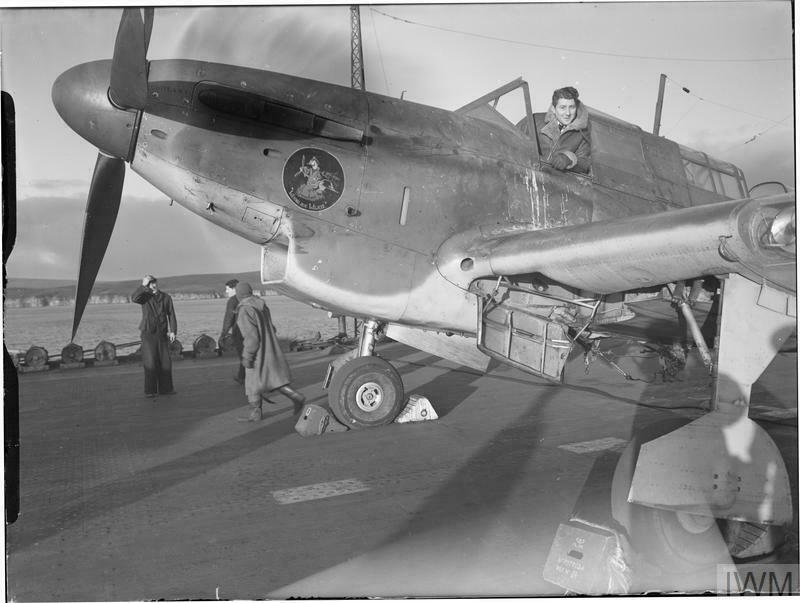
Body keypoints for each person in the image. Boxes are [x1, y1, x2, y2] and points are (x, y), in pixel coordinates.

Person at [235, 282, 306, 422]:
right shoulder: (261, 306)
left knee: (252, 383)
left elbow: (252, 338)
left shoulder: (244, 310)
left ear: (238, 295)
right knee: (273, 380)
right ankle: (295, 397)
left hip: (257, 353)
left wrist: (247, 356)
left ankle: (256, 413)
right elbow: (271, 329)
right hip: (269, 349)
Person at [132, 275, 177, 398]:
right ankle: (150, 391)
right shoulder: (144, 297)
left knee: (165, 362)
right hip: (148, 333)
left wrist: (173, 331)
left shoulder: (166, 297)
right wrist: (142, 286)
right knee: (150, 362)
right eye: (150, 283)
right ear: (147, 285)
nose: (153, 285)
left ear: (157, 283)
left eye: (154, 282)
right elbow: (134, 298)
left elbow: (171, 314)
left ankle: (166, 389)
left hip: (162, 333)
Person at [538, 86, 591, 173]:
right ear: (553, 109)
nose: (567, 113)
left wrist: (569, 159)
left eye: (572, 107)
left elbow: (584, 164)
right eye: (562, 107)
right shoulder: (534, 121)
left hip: (555, 181)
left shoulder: (582, 134)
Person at [219, 278, 245, 385]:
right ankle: (241, 376)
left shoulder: (233, 301)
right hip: (254, 332)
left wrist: (223, 334)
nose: (226, 292)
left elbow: (228, 319)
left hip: (240, 333)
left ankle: (243, 378)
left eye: (227, 289)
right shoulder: (252, 298)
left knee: (243, 356)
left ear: (234, 289)